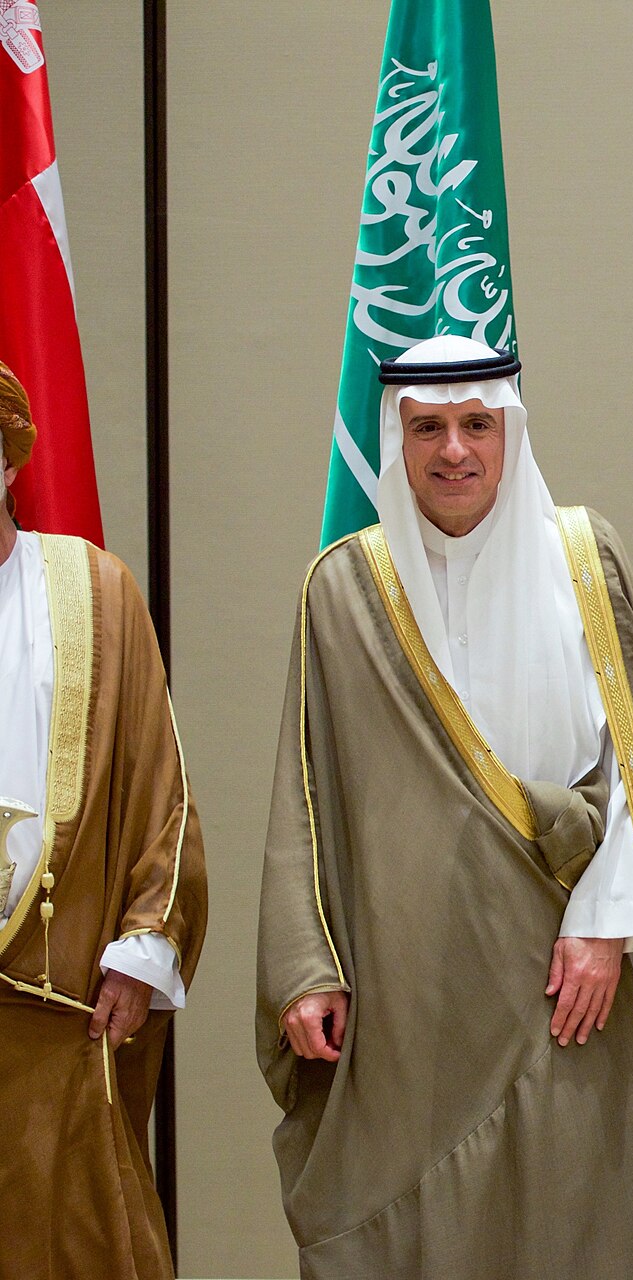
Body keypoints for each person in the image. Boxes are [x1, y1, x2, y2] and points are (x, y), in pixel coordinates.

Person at [256, 336, 633, 1278]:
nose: (454, 451)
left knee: (572, 1210)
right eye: (428, 427)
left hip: (561, 972)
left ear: (510, 432)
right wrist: (305, 966)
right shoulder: (346, 587)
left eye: (477, 424)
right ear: (396, 439)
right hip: (406, 989)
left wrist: (605, 927)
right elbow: (305, 787)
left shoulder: (582, 555)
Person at [0, 360, 208, 1279]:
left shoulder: (94, 592)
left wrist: (143, 943)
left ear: (8, 460)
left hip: (65, 1015)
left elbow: (164, 791)